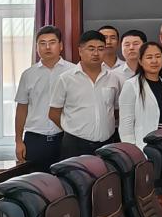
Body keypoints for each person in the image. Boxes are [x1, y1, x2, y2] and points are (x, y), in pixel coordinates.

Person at [48, 30, 121, 159]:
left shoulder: (113, 78)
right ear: (80, 51)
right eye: (91, 49)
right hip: (75, 146)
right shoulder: (66, 79)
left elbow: (115, 110)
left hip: (107, 144)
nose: (96, 53)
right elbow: (53, 113)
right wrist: (72, 129)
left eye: (100, 49)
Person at [14, 25, 75, 169]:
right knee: (36, 180)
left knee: (67, 179)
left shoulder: (74, 71)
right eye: (42, 43)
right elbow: (21, 109)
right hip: (35, 139)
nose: (47, 47)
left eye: (52, 42)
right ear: (37, 47)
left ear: (60, 46)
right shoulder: (28, 74)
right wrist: (18, 141)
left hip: (65, 137)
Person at [118, 41, 162, 147]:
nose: (154, 61)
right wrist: (131, 149)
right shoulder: (131, 85)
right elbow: (126, 123)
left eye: (158, 56)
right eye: (149, 57)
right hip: (143, 145)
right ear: (140, 61)